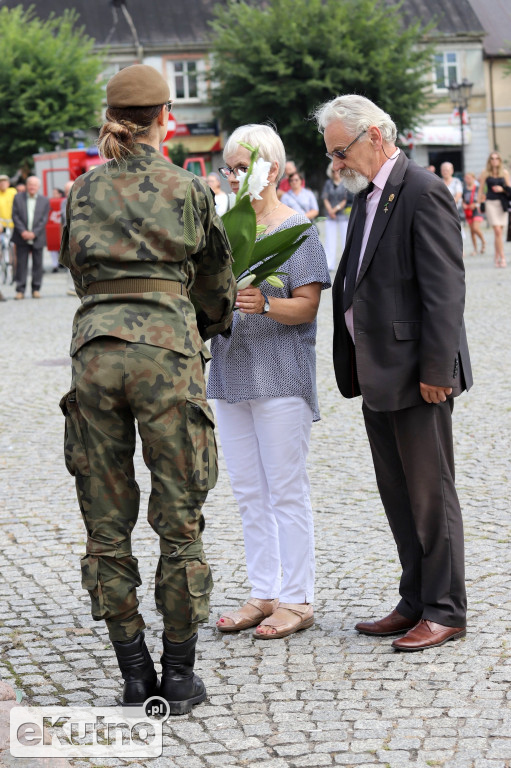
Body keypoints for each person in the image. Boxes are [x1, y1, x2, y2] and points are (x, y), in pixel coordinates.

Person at [59, 64, 236, 713]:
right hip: (167, 356)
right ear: (166, 117)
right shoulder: (186, 188)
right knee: (179, 520)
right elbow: (215, 282)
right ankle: (180, 677)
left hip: (96, 355)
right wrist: (206, 326)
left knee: (106, 525)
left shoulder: (81, 191)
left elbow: (77, 269)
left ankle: (134, 674)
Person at [314, 94, 472, 652]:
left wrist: (437, 368)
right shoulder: (368, 196)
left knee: (431, 495)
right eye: (331, 154)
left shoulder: (424, 190)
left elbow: (445, 291)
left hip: (416, 373)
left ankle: (446, 608)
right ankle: (414, 599)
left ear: (375, 135)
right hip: (377, 371)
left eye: (341, 151)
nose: (335, 165)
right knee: (397, 495)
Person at [209, 123, 330, 639]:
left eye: (242, 168)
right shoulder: (221, 228)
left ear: (273, 170)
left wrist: (267, 302)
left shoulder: (298, 229)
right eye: (229, 168)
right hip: (230, 370)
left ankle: (297, 598)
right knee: (247, 492)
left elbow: (308, 306)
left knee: (285, 490)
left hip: (281, 375)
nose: (233, 177)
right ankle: (262, 591)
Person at [11, 175, 50, 299]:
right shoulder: (18, 198)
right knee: (21, 264)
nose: (32, 187)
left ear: (38, 187)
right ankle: (20, 290)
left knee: (38, 264)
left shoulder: (45, 200)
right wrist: (23, 231)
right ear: (26, 186)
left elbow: (44, 219)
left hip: (37, 237)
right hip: (21, 236)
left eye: (34, 185)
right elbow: (15, 216)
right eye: (30, 184)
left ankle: (36, 289)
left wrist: (34, 233)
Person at [477, 151, 510, 268]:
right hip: (490, 203)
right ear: (489, 160)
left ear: (500, 160)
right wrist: (479, 203)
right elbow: (481, 189)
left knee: (499, 233)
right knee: (497, 231)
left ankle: (496, 256)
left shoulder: (504, 173)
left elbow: (509, 189)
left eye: (496, 158)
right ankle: (503, 257)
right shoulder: (485, 172)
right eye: (492, 158)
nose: (494, 160)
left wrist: (502, 189)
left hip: (502, 204)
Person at [321, 162, 348, 271]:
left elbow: (346, 200)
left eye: (336, 170)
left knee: (345, 239)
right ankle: (329, 264)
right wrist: (330, 211)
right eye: (333, 171)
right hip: (330, 215)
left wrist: (335, 209)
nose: (335, 173)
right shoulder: (328, 183)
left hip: (343, 215)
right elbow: (325, 198)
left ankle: (346, 264)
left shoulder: (345, 183)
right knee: (329, 239)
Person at [0, 174, 17, 299]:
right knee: (2, 249)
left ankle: (14, 272)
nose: (2, 184)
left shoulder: (12, 192)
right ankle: (4, 270)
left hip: (13, 224)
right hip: (2, 225)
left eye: (5, 182)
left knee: (14, 250)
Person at [60, 180, 78, 295]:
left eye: (69, 190)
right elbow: (64, 218)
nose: (68, 193)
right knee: (69, 262)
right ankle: (71, 287)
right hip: (69, 234)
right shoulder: (63, 203)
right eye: (66, 191)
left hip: (79, 235)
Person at [462, 172, 485, 257]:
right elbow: (463, 200)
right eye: (466, 178)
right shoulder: (464, 189)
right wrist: (464, 205)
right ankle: (475, 249)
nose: (467, 180)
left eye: (469, 178)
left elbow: (483, 199)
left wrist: (475, 204)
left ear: (473, 178)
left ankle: (483, 241)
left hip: (476, 210)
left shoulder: (478, 188)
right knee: (472, 231)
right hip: (468, 211)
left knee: (475, 228)